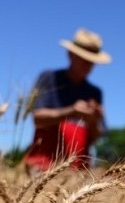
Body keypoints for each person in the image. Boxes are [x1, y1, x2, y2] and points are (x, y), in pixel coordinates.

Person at [25, 28, 111, 170]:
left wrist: (93, 121)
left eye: (92, 61)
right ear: (70, 54)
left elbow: (95, 138)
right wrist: (71, 111)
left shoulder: (95, 93)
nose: (88, 65)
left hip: (79, 171)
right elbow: (37, 118)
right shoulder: (50, 78)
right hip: (43, 166)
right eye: (84, 58)